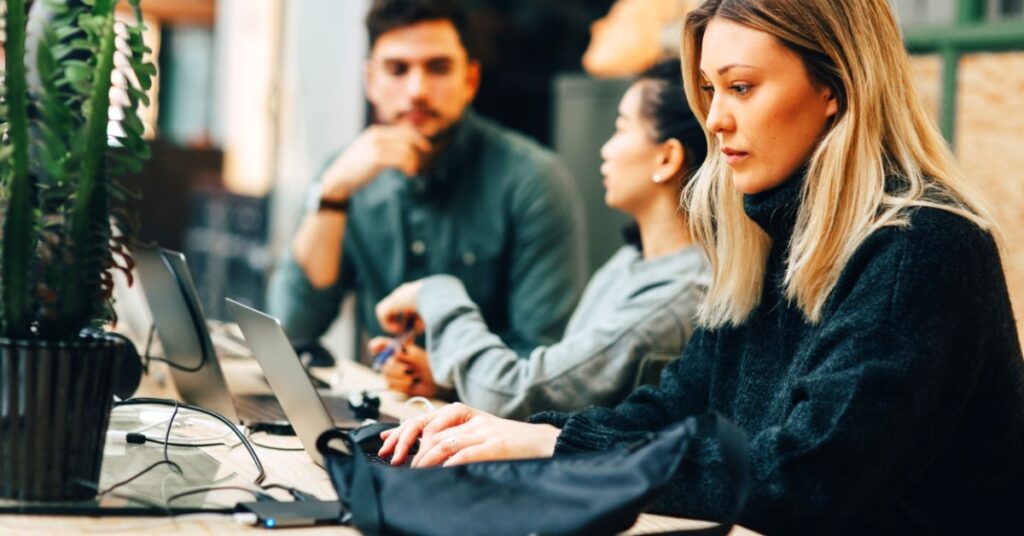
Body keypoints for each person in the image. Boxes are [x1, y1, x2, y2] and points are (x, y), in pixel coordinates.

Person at [377, 0, 1024, 532]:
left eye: (740, 87)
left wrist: (544, 449)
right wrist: (514, 434)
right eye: (709, 90)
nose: (714, 119)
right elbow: (669, 413)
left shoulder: (923, 248)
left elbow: (802, 479)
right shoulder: (773, 244)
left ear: (835, 88)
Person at [370, 60, 712, 419]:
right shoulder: (632, 261)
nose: (605, 149)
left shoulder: (675, 298)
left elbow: (517, 395)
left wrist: (436, 295)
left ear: (668, 156)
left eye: (620, 129)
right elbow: (561, 390)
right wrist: (447, 381)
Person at [266, 0, 587, 359]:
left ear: (470, 80)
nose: (417, 89)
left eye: (438, 68)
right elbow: (290, 329)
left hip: (488, 412)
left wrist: (442, 377)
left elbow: (545, 355)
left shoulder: (532, 180)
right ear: (371, 81)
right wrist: (332, 196)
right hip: (387, 408)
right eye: (397, 69)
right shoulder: (345, 173)